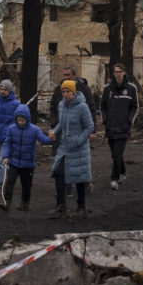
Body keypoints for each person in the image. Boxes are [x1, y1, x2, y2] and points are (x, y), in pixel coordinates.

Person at [48, 80, 95, 219]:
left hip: (79, 147)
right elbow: (61, 124)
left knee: (79, 177)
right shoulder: (61, 105)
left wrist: (79, 140)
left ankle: (81, 207)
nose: (65, 94)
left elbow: (90, 127)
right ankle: (61, 205)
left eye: (68, 91)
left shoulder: (82, 107)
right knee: (58, 172)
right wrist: (54, 131)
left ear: (73, 92)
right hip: (64, 146)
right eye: (63, 92)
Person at [50, 65, 97, 195]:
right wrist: (54, 125)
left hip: (78, 134)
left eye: (68, 75)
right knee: (62, 162)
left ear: (74, 76)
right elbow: (53, 108)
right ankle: (66, 189)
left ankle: (84, 185)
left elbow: (91, 110)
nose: (65, 77)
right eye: (64, 75)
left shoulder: (84, 91)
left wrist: (92, 132)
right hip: (63, 132)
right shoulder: (58, 91)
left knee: (78, 164)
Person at [0, 104, 53, 212]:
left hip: (28, 164)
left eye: (23, 120)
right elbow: (7, 144)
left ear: (27, 119)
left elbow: (43, 140)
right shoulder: (11, 129)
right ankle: (7, 202)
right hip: (13, 162)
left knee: (26, 185)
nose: (20, 122)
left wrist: (52, 139)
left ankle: (25, 203)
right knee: (10, 182)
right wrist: (5, 156)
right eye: (18, 120)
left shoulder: (35, 129)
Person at [100, 63, 139, 190]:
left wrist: (129, 121)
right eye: (115, 72)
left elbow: (135, 106)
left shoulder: (131, 88)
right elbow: (103, 106)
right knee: (115, 154)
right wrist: (105, 120)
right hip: (110, 127)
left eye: (120, 71)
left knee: (117, 153)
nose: (117, 74)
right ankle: (123, 172)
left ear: (124, 73)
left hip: (123, 128)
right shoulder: (107, 88)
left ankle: (114, 179)